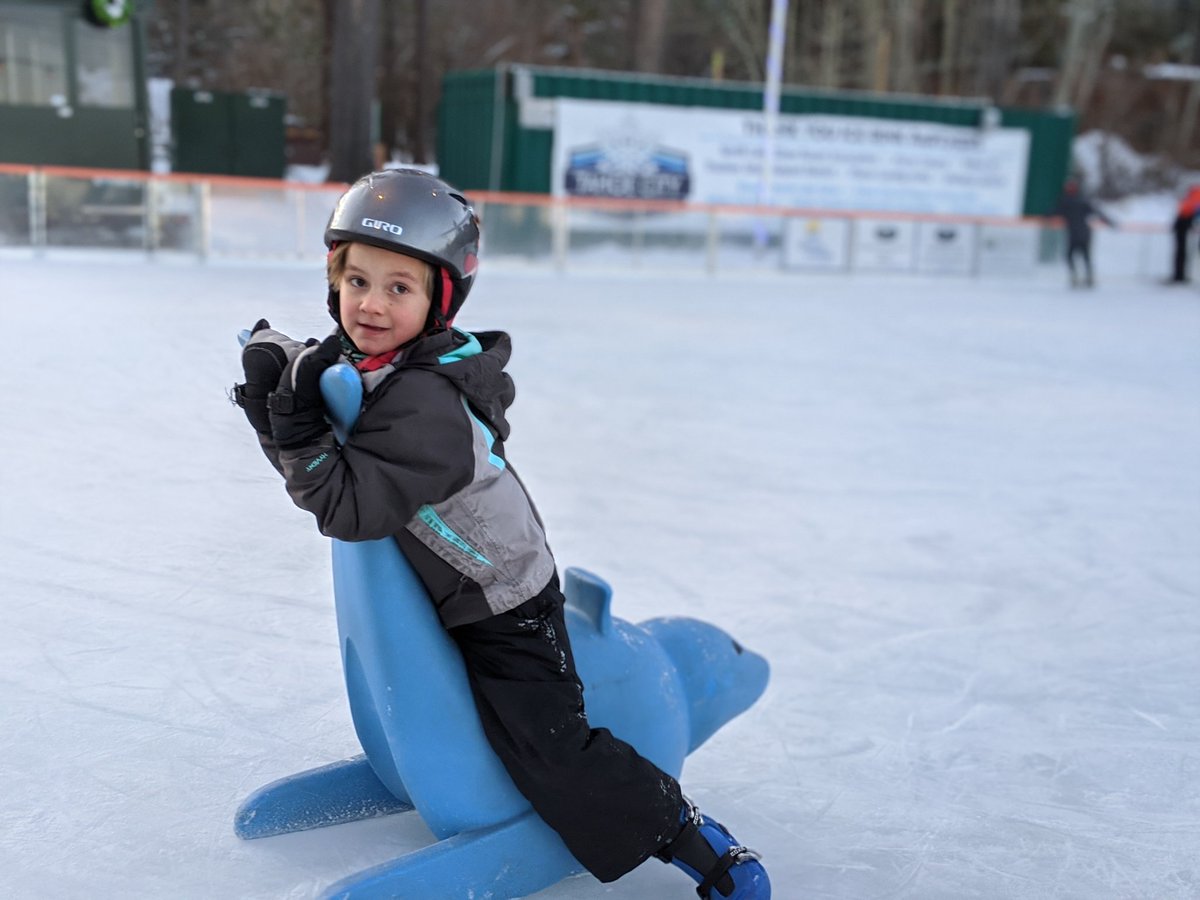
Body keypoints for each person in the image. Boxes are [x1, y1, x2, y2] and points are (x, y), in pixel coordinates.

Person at [230, 168, 771, 900]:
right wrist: (272, 399)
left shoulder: (426, 402)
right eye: (358, 280)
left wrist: (287, 418)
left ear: (438, 300)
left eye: (400, 288)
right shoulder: (364, 363)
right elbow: (323, 461)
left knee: (549, 750)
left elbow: (347, 507)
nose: (372, 304)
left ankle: (689, 836)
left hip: (504, 605)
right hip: (445, 586)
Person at [1052, 178, 1116, 288]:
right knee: (1077, 256)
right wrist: (1109, 222)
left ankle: (1085, 277)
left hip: (1080, 233)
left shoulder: (1072, 201)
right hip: (1079, 233)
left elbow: (1097, 212)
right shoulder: (1072, 201)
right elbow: (1097, 212)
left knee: (1080, 256)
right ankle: (1080, 277)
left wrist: (1109, 222)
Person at [1167, 182, 1200, 284]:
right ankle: (1179, 275)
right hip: (1184, 222)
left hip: (1184, 222)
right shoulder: (1194, 193)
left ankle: (1179, 275)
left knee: (1181, 251)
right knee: (1182, 251)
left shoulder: (1192, 193)